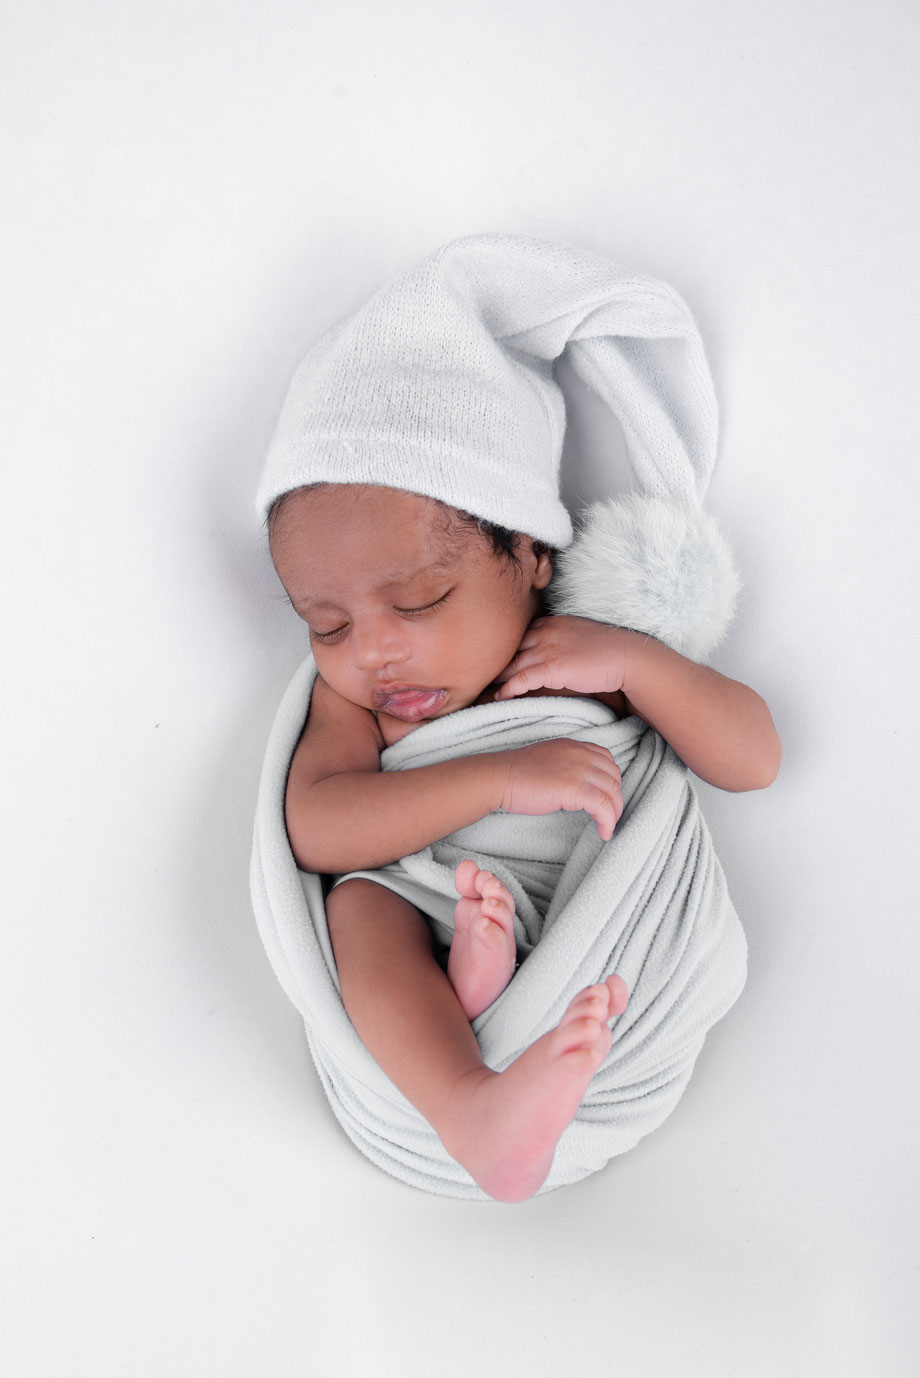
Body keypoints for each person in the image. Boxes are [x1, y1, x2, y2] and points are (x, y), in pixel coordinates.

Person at [266, 478, 780, 1203]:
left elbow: (754, 760)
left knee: (379, 902)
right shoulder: (355, 708)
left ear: (532, 551)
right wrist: (499, 778)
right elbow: (318, 829)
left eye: (420, 603)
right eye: (328, 627)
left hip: (602, 928)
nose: (375, 651)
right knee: (362, 903)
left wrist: (639, 665)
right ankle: (466, 1099)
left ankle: (493, 988)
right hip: (434, 909)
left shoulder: (583, 655)